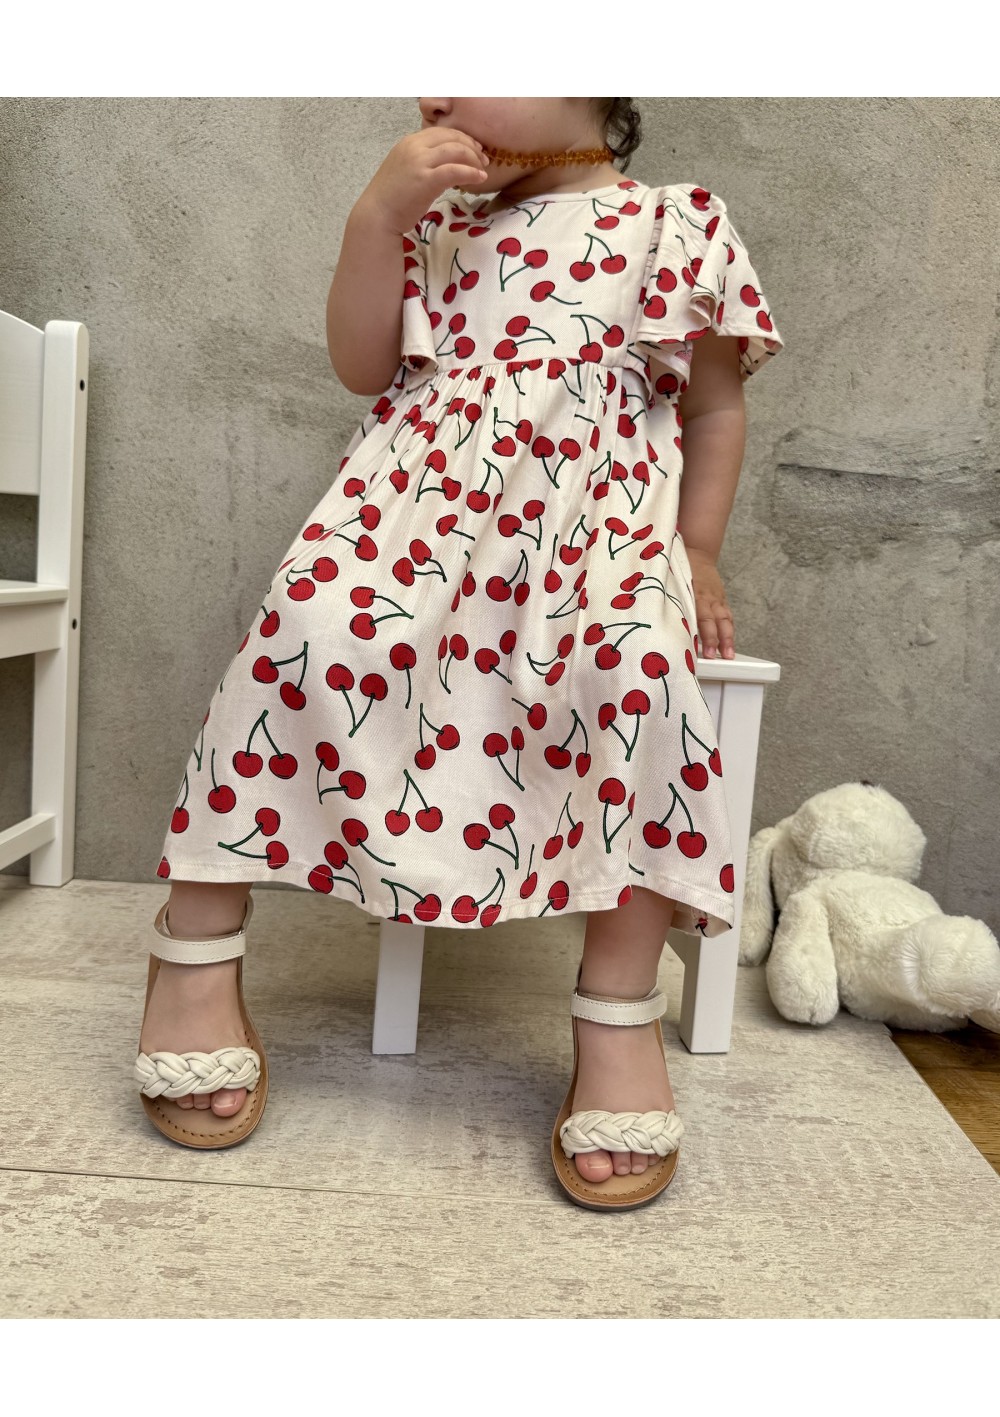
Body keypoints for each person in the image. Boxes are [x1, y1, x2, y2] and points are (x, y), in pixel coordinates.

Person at [135, 97, 784, 1209]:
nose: (435, 91)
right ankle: (193, 942)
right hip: (410, 524)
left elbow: (714, 410)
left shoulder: (675, 224)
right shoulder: (440, 223)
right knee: (309, 622)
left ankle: (616, 1010)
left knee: (634, 670)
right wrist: (375, 218)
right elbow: (362, 367)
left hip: (592, 539)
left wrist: (699, 551)